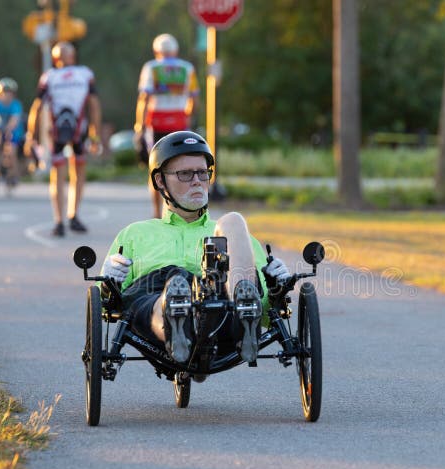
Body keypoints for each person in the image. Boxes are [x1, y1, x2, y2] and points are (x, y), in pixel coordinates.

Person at [99, 131, 291, 364]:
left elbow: (269, 312)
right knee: (169, 292)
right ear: (160, 181)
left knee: (234, 219)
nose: (197, 181)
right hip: (153, 294)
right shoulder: (134, 234)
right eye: (185, 174)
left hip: (219, 302)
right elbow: (108, 305)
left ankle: (242, 318)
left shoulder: (230, 233)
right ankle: (175, 320)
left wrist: (276, 287)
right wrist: (107, 281)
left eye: (202, 173)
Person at [26, 41, 101, 236]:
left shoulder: (79, 74)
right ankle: (61, 219)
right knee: (62, 173)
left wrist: (95, 132)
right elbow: (38, 107)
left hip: (72, 128)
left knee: (75, 170)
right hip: (63, 130)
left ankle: (71, 215)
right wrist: (31, 135)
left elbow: (93, 104)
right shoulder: (53, 76)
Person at [134, 33, 200, 219]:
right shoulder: (187, 68)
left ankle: (157, 213)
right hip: (180, 121)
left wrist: (139, 124)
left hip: (156, 122)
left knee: (155, 169)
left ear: (157, 51)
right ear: (176, 51)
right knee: (181, 168)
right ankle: (178, 211)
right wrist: (188, 116)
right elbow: (194, 99)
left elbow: (144, 98)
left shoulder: (151, 67)